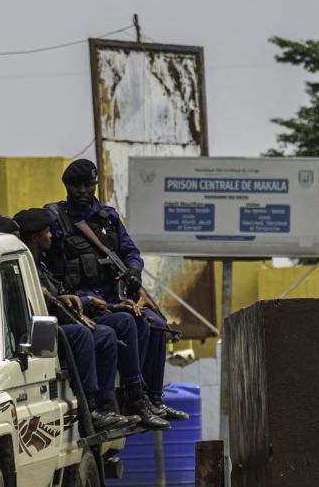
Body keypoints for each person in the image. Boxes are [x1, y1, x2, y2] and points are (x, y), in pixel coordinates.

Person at [44, 159, 188, 422]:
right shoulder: (56, 219)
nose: (84, 191)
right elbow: (44, 260)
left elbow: (130, 251)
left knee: (156, 323)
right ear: (67, 186)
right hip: (82, 298)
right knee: (130, 323)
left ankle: (153, 398)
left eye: (89, 185)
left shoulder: (107, 217)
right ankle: (133, 397)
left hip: (112, 294)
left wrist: (133, 271)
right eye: (78, 186)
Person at [13, 209, 164, 430]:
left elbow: (61, 296)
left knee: (126, 320)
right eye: (47, 232)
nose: (51, 236)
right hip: (46, 329)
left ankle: (134, 396)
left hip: (72, 314)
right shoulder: (28, 267)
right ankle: (94, 408)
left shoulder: (41, 263)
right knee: (91, 334)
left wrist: (107, 303)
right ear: (36, 237)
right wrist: (81, 305)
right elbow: (48, 303)